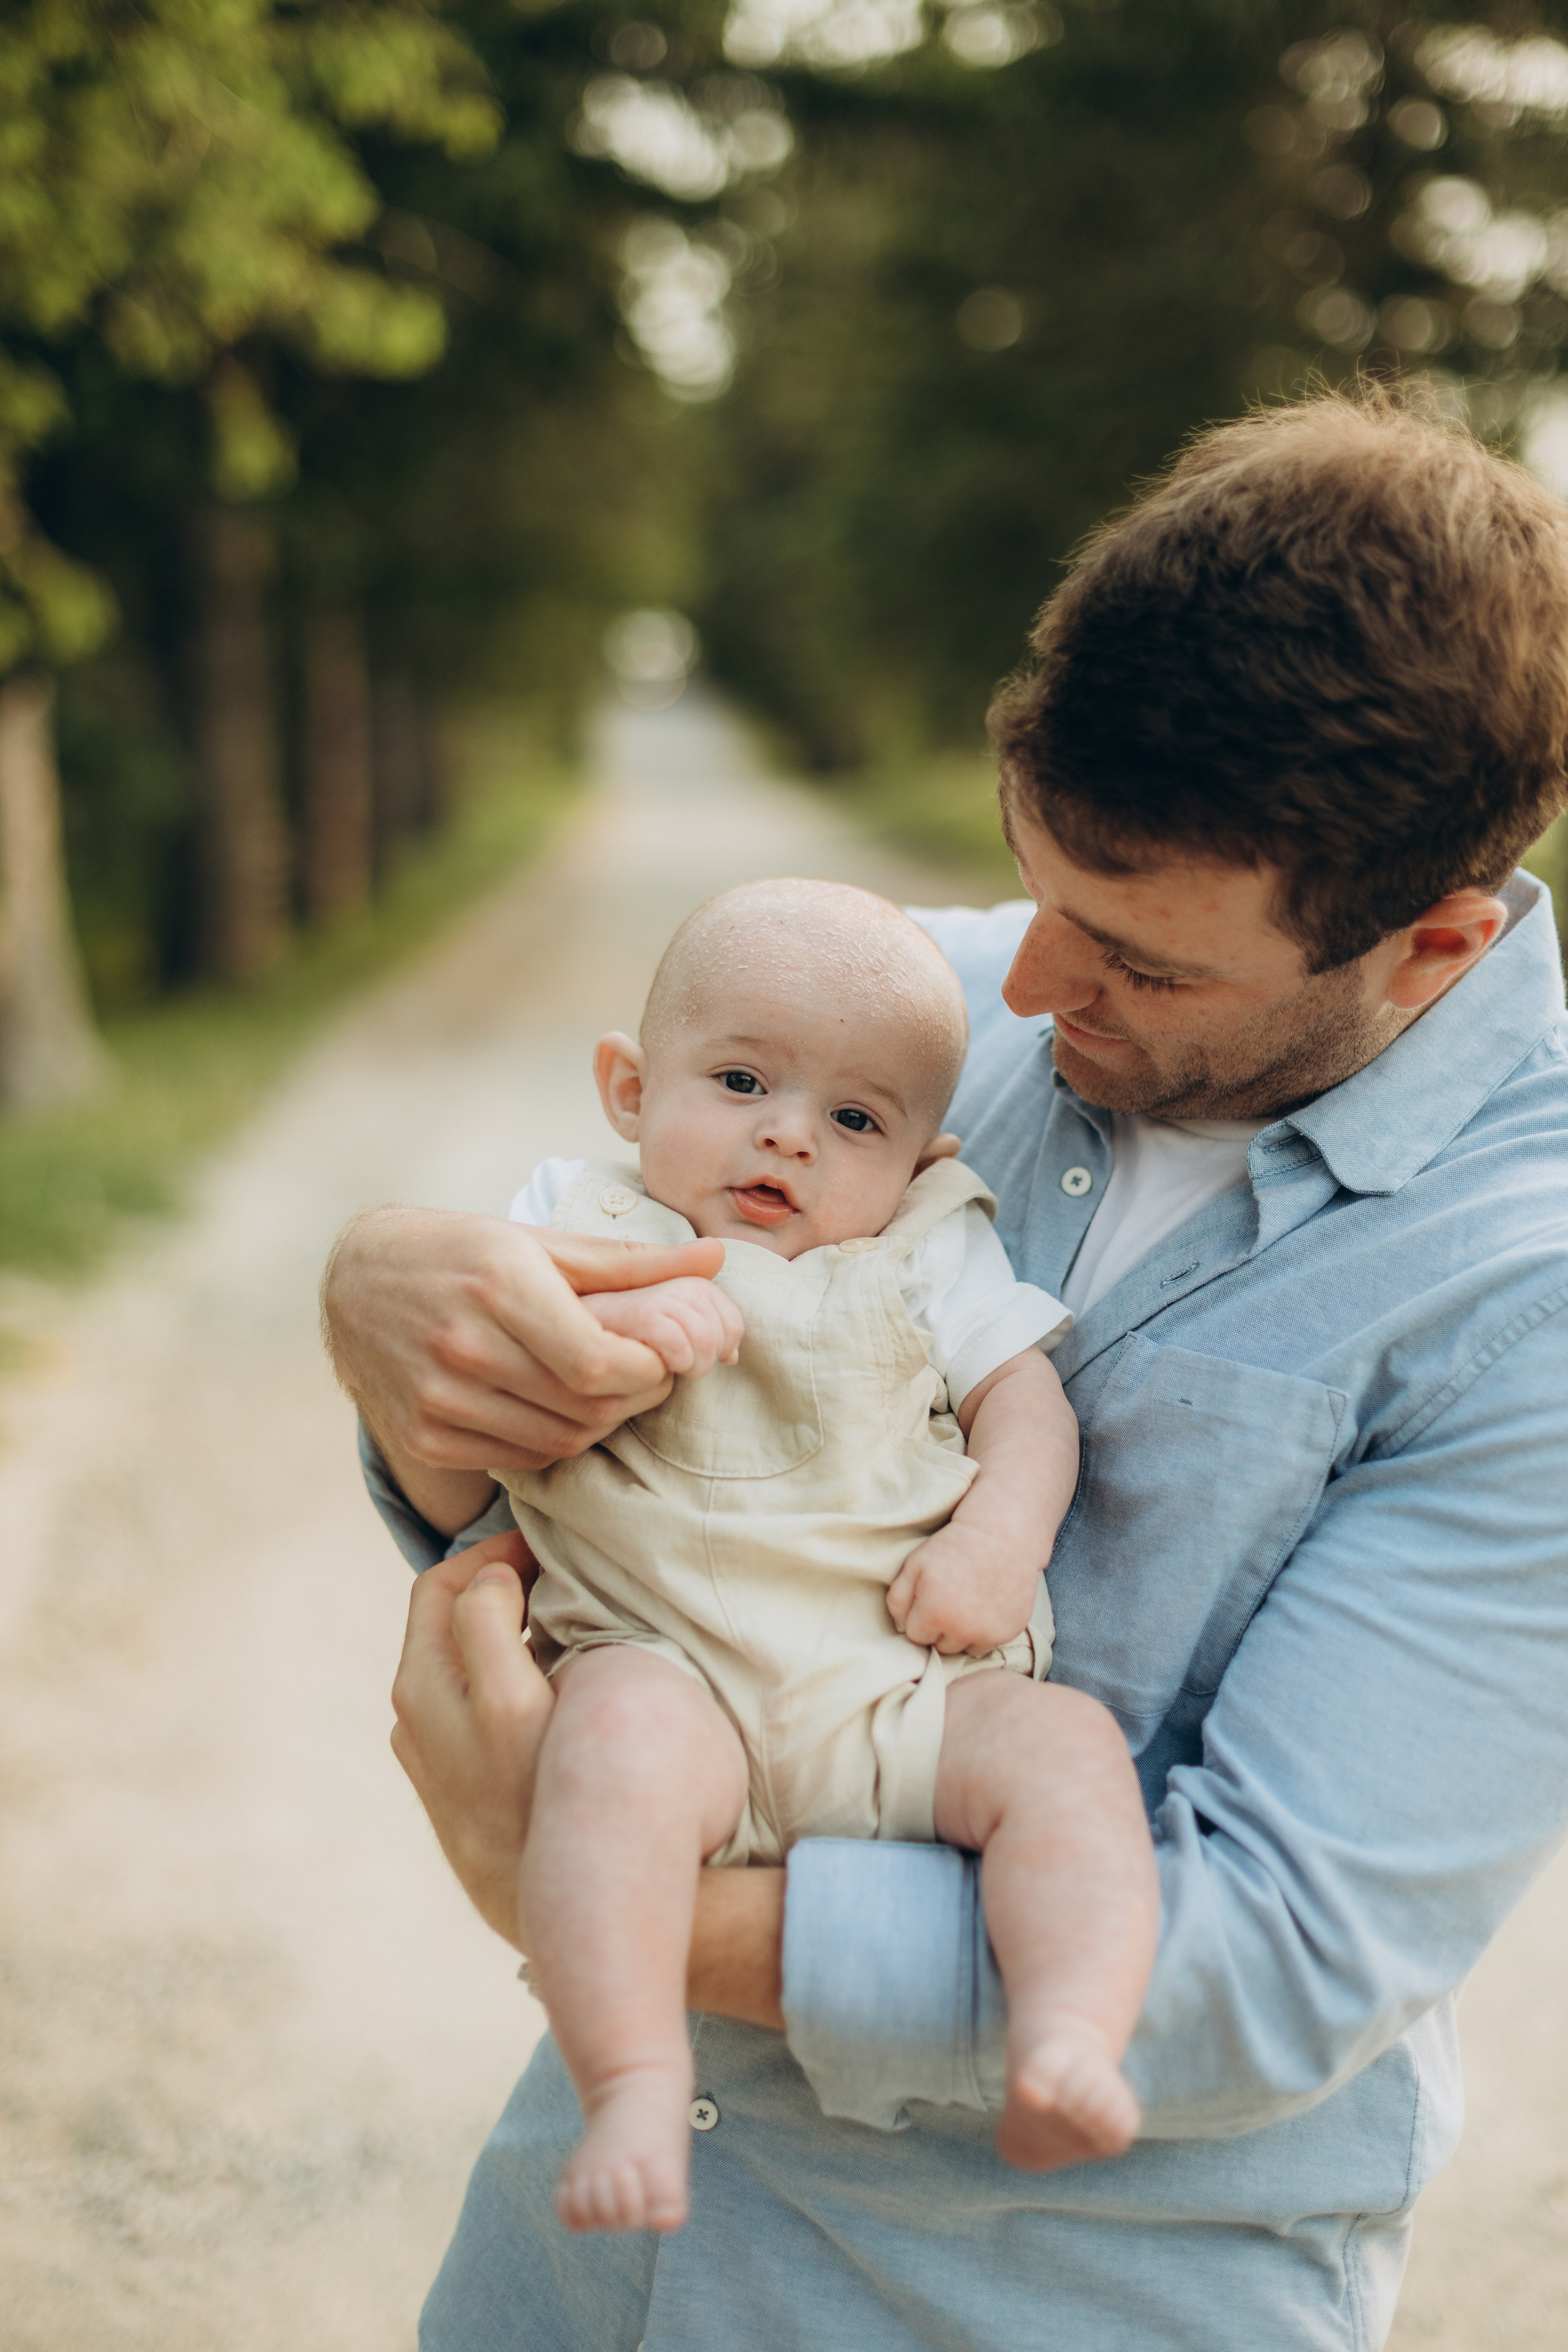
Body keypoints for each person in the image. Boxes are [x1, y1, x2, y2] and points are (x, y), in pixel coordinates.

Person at [326, 388, 1568, 2352]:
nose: (1029, 989)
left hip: (1030, 2298)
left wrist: (607, 1899)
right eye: (1036, 891)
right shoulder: (903, 1025)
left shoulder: (1532, 1297)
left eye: (1142, 966)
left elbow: (1277, 1968)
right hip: (578, 2267)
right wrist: (385, 1300)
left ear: (1430, 946)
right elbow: (577, 1280)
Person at [492, 878, 1156, 2234]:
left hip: (898, 1683)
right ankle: (626, 2080)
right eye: (739, 1081)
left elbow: (1022, 1405)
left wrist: (996, 1540)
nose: (787, 1136)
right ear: (629, 1089)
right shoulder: (575, 1216)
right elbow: (479, 1387)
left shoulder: (926, 1246)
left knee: (1067, 1755)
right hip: (670, 1674)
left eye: (855, 1120)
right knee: (604, 1755)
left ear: (919, 1159)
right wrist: (595, 1344)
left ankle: (1067, 2034)